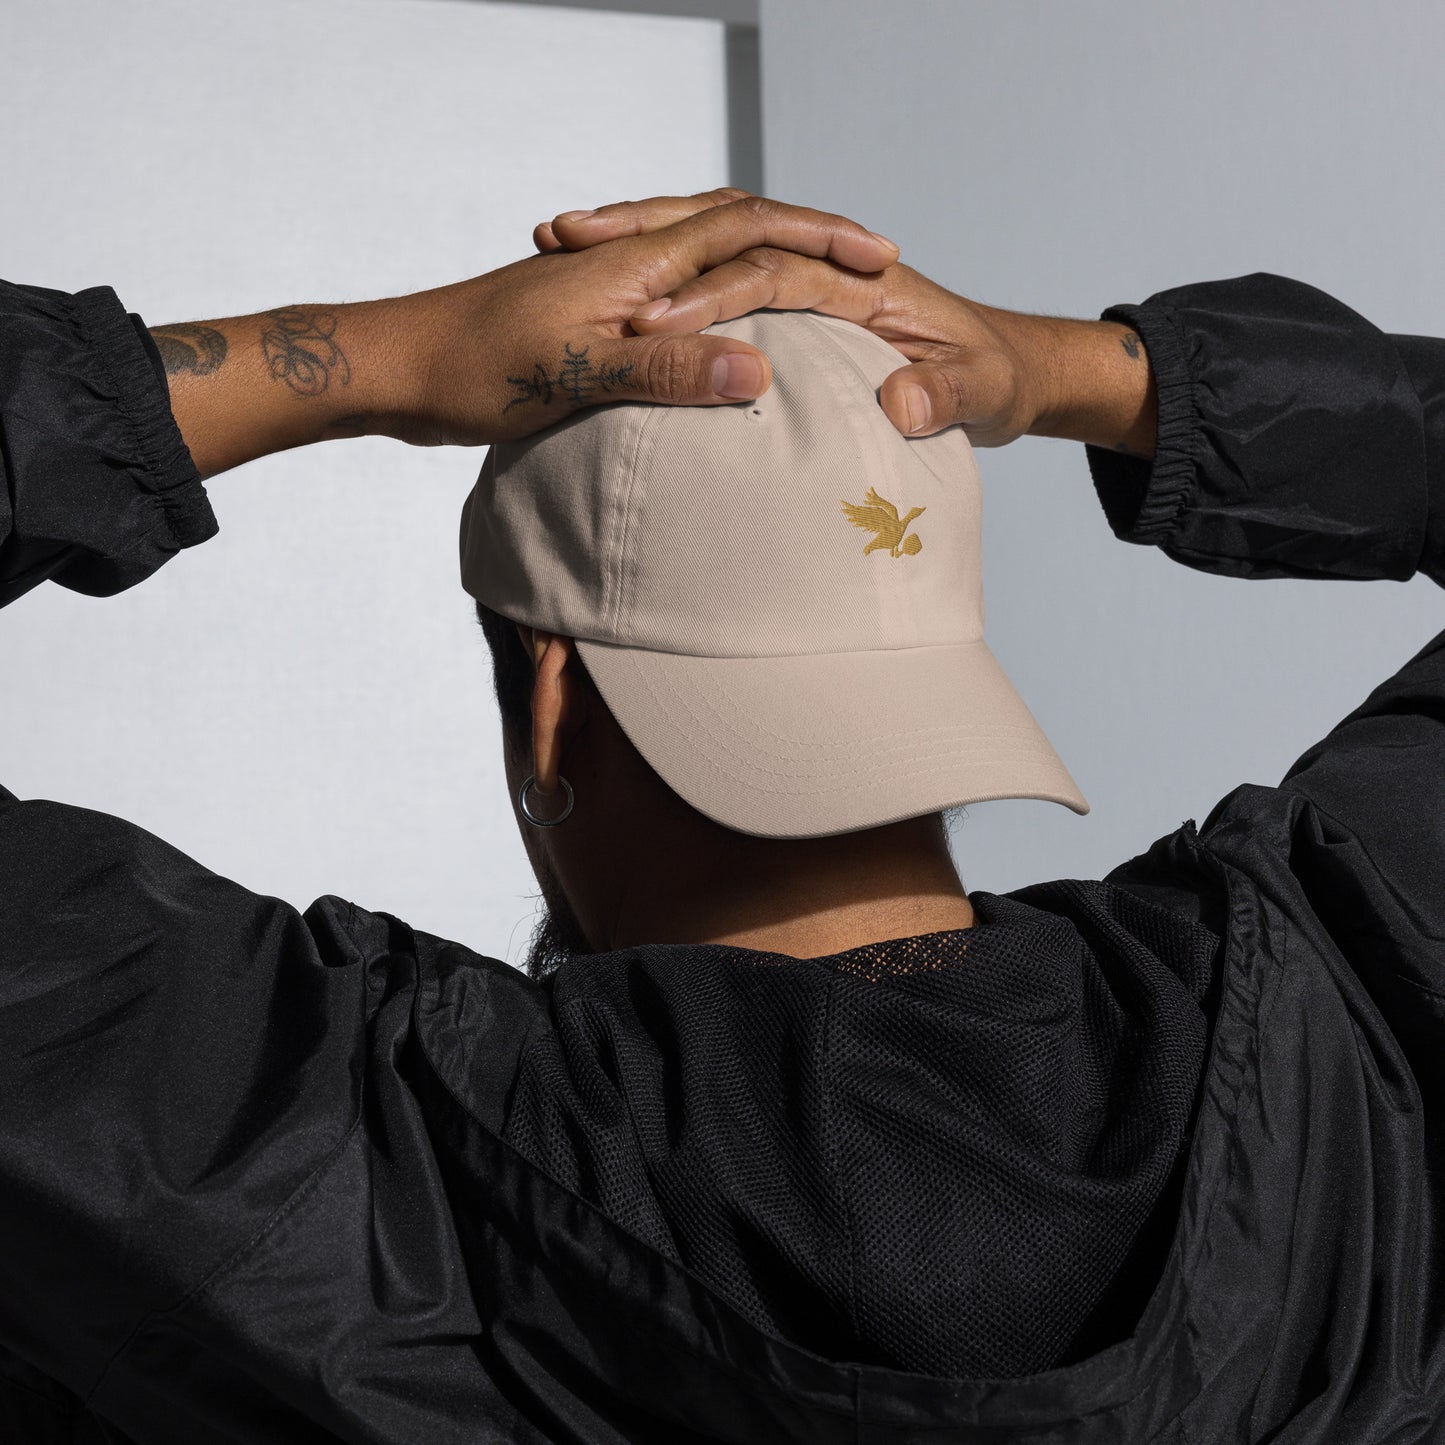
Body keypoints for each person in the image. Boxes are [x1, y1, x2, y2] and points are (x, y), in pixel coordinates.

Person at [0, 188, 1440, 1442]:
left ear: (548, 697)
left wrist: (368, 361)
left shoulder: (317, 1159)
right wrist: (1076, 374)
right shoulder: (1350, 1022)